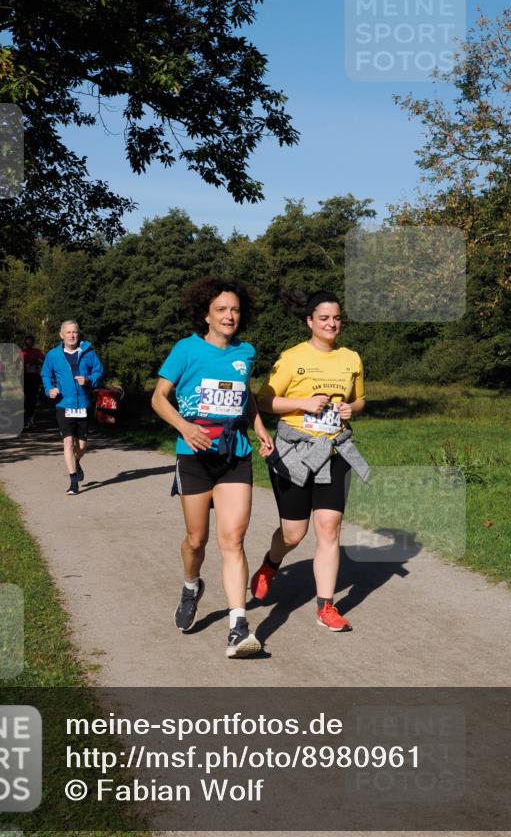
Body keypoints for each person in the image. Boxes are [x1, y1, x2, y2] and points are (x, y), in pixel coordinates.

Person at [151, 277, 274, 659]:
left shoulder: (246, 352)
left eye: (235, 309)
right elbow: (158, 398)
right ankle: (191, 585)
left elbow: (246, 396)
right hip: (194, 458)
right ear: (205, 314)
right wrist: (185, 428)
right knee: (196, 541)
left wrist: (259, 429)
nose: (229, 315)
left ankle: (238, 627)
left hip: (234, 454)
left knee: (233, 540)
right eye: (221, 309)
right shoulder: (186, 350)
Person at [250, 292, 370, 631]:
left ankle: (326, 607)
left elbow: (359, 400)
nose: (332, 324)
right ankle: (271, 565)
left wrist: (351, 409)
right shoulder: (291, 358)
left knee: (329, 529)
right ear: (310, 322)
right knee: (294, 533)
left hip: (335, 451)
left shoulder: (351, 358)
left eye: (336, 318)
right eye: (324, 319)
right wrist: (303, 403)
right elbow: (263, 402)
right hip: (296, 453)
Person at [41, 320, 104, 495]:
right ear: (61, 335)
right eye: (68, 332)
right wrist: (49, 389)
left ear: (79, 334)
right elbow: (46, 374)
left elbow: (99, 371)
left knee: (82, 446)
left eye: (74, 332)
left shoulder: (88, 353)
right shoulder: (53, 355)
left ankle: (77, 462)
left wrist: (89, 379)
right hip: (63, 404)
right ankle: (73, 481)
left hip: (83, 404)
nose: (72, 335)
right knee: (68, 442)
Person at [18, 336, 44, 428]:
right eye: (27, 341)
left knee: (32, 398)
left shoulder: (37, 351)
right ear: (25, 342)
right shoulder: (22, 352)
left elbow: (44, 361)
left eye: (31, 342)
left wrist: (37, 363)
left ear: (33, 342)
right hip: (25, 376)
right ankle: (26, 418)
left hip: (34, 376)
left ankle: (31, 418)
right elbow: (17, 364)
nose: (29, 343)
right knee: (26, 398)